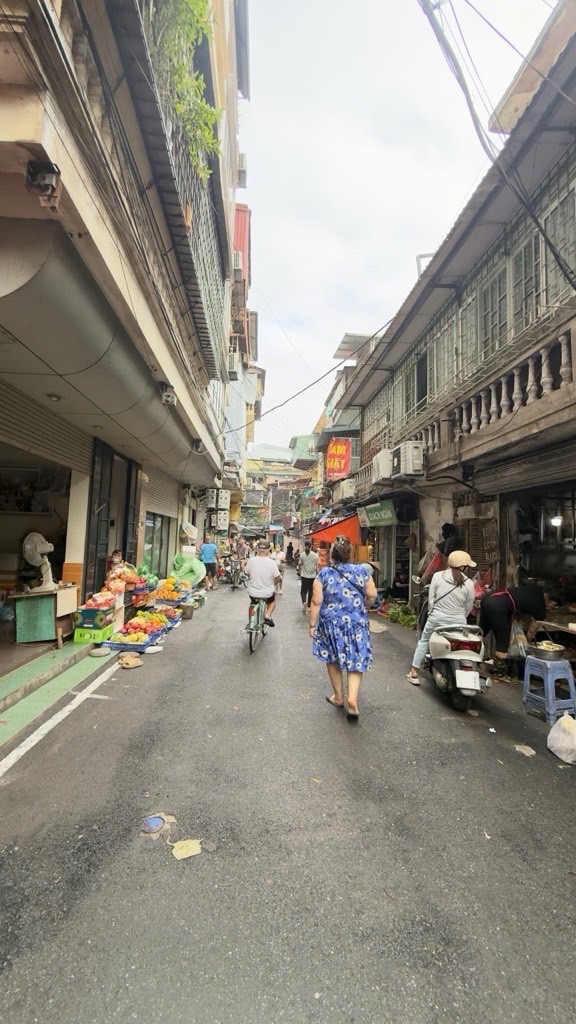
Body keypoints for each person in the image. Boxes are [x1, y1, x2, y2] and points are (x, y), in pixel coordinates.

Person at [309, 536, 377, 720]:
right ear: (350, 553)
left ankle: (339, 697)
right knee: (356, 660)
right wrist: (365, 607)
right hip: (356, 623)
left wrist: (312, 624)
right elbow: (372, 594)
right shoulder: (362, 571)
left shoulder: (324, 574)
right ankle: (352, 699)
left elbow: (316, 601)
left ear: (332, 554)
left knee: (332, 659)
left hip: (331, 624)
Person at [408, 550, 476, 684]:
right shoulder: (469, 583)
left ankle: (414, 672)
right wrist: (461, 617)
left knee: (424, 641)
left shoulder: (438, 576)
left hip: (437, 618)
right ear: (463, 567)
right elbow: (469, 605)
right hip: (459, 621)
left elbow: (431, 600)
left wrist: (432, 613)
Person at [479, 584, 547, 677]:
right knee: (503, 640)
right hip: (497, 606)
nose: (551, 606)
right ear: (549, 599)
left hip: (488, 597)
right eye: (553, 604)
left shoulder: (533, 589)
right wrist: (525, 643)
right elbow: (532, 630)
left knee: (481, 632)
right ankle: (499, 673)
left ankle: (473, 659)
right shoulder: (541, 608)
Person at [244, 539, 281, 626]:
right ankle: (267, 615)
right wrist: (275, 583)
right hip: (267, 593)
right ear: (268, 549)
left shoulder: (251, 560)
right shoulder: (272, 562)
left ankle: (250, 623)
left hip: (253, 592)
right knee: (272, 602)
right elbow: (278, 577)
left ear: (257, 548)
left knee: (253, 603)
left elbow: (246, 572)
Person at [299, 541, 319, 614]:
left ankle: (304, 602)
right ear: (311, 546)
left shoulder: (302, 555)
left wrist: (300, 571)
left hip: (304, 576)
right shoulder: (315, 555)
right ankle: (309, 606)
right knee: (311, 591)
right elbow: (317, 565)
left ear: (305, 545)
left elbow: (300, 564)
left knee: (303, 591)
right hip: (312, 577)